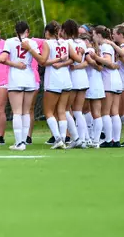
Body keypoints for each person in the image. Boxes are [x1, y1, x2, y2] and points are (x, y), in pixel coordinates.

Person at [0, 21, 42, 151]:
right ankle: (23, 141)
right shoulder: (33, 43)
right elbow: (41, 59)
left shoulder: (10, 42)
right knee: (25, 112)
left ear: (15, 31)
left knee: (17, 112)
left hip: (15, 80)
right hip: (30, 78)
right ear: (27, 31)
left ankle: (19, 142)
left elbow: (2, 58)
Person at [42, 20, 82, 149]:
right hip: (66, 80)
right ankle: (65, 139)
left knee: (48, 111)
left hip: (53, 80)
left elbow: (44, 62)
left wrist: (58, 60)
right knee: (62, 111)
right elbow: (78, 59)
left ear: (48, 32)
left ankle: (58, 138)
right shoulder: (66, 43)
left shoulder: (47, 43)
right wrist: (79, 52)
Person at [90, 25, 123, 148]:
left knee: (106, 112)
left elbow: (108, 61)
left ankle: (109, 139)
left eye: (94, 35)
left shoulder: (105, 46)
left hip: (109, 80)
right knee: (114, 112)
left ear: (99, 35)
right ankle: (116, 139)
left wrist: (96, 57)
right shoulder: (108, 46)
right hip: (115, 79)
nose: (93, 37)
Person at [63, 19, 90, 149]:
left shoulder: (67, 42)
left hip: (72, 79)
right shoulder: (82, 42)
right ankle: (83, 140)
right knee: (78, 111)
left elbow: (73, 59)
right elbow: (86, 60)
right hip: (83, 78)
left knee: (66, 109)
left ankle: (76, 138)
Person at [81, 33, 105, 147]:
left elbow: (90, 61)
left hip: (91, 82)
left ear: (87, 40)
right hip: (97, 82)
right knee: (95, 112)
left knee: (87, 111)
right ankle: (94, 139)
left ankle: (90, 139)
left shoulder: (89, 49)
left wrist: (97, 66)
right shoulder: (96, 49)